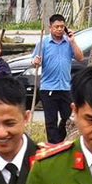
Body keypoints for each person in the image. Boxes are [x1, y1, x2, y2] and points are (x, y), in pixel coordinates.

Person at [36, 14, 83, 145]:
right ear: (50, 27)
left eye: (62, 26)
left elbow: (80, 57)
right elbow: (35, 61)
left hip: (65, 87)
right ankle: (53, 145)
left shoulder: (68, 42)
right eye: (56, 26)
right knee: (50, 121)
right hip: (48, 88)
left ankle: (60, 141)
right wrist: (36, 61)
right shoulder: (43, 42)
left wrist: (73, 41)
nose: (59, 29)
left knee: (68, 118)